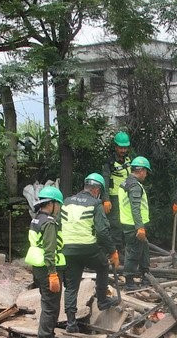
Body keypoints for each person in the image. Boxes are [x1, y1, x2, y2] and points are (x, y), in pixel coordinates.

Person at [61, 174, 119, 323]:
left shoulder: (66, 202)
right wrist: (113, 251)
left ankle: (71, 322)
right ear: (96, 189)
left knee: (71, 285)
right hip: (88, 248)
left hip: (67, 249)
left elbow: (58, 224)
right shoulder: (95, 203)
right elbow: (102, 231)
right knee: (103, 266)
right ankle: (102, 301)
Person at [24, 186, 66, 338]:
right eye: (59, 205)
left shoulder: (36, 219)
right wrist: (53, 273)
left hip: (38, 267)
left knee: (48, 304)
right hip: (48, 268)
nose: (60, 209)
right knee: (51, 307)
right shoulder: (49, 222)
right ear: (52, 204)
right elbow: (50, 249)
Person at [118, 156, 152, 289]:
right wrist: (140, 227)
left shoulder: (125, 183)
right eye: (146, 171)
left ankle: (145, 275)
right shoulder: (135, 186)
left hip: (131, 223)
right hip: (134, 225)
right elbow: (135, 208)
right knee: (133, 251)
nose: (146, 175)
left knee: (143, 248)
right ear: (141, 170)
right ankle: (129, 281)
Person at [102, 131, 132, 255]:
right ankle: (115, 251)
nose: (123, 150)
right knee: (116, 225)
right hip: (114, 197)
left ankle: (124, 248)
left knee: (127, 223)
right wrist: (106, 199)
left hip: (128, 196)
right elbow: (105, 181)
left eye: (125, 147)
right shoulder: (109, 163)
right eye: (121, 147)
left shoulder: (130, 159)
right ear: (115, 147)